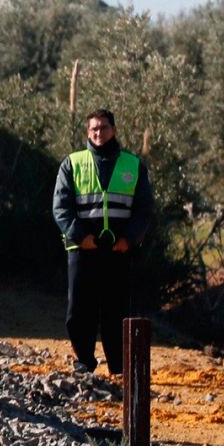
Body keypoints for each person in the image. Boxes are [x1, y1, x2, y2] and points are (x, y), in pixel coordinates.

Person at [52, 108, 155, 375]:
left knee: (117, 310)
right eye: (94, 129)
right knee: (79, 310)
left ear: (114, 130)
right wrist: (80, 236)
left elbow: (144, 209)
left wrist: (130, 240)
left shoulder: (133, 165)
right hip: (82, 249)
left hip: (119, 251)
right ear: (88, 132)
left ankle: (119, 367)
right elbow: (61, 207)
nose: (99, 133)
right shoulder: (72, 164)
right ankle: (84, 362)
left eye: (104, 128)